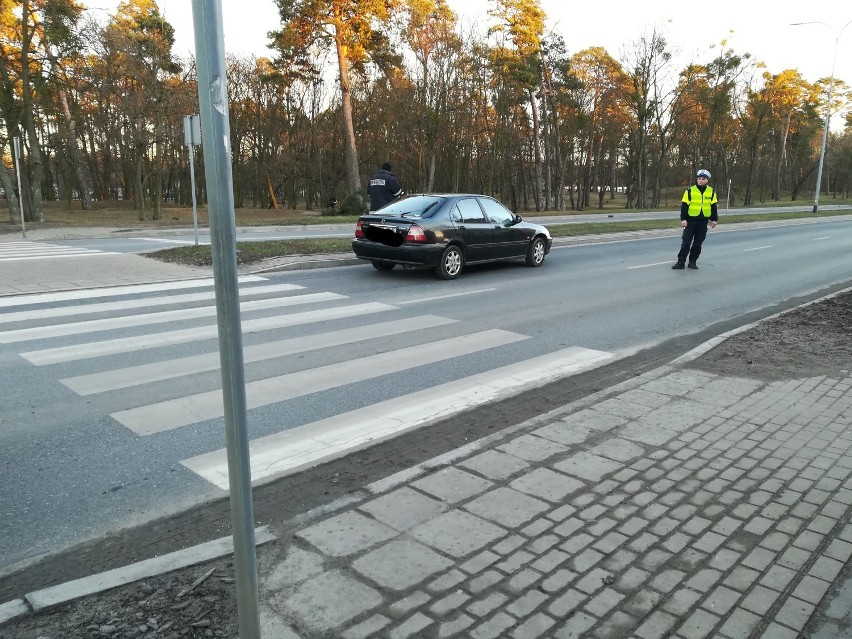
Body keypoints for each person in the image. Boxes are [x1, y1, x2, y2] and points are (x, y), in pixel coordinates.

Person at [672, 168, 718, 270]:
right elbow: (684, 206)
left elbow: (713, 206)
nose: (701, 180)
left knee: (698, 243)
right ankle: (680, 262)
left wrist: (714, 220)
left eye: (703, 179)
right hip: (690, 221)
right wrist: (683, 219)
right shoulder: (690, 191)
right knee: (686, 242)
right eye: (699, 178)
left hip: (703, 222)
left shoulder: (711, 192)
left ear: (707, 180)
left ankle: (692, 262)